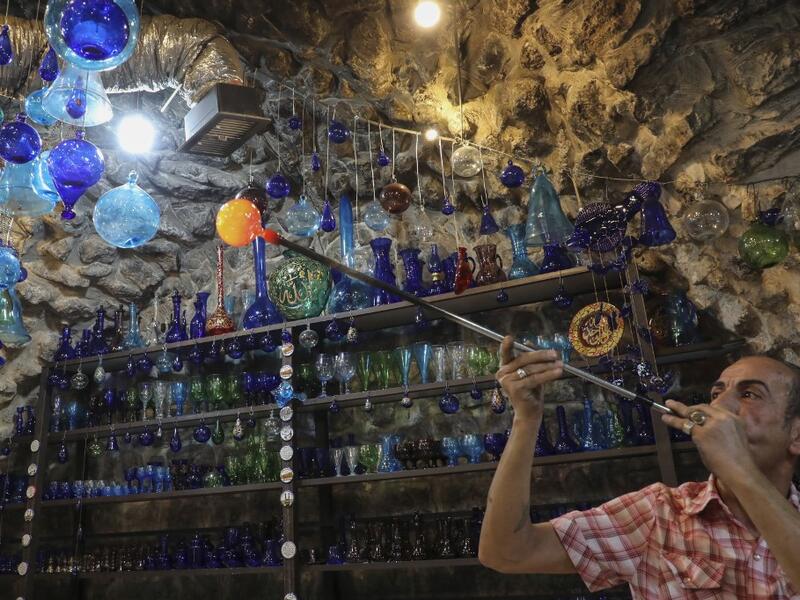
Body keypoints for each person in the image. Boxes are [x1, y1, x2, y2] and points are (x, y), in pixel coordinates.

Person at [478, 337, 800, 599]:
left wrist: (739, 470)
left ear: (796, 435)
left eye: (749, 394)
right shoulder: (658, 514)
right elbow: (506, 552)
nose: (719, 405)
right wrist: (526, 419)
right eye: (716, 393)